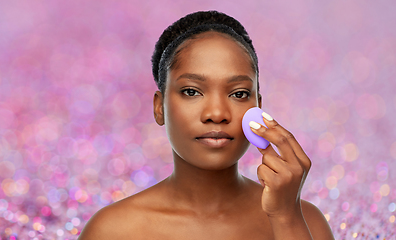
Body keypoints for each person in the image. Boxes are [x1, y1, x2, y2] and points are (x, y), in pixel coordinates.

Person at [78, 10, 334, 239]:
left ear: (258, 107)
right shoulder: (111, 231)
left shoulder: (307, 223)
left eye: (238, 93)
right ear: (159, 107)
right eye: (191, 91)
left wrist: (286, 219)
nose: (217, 113)